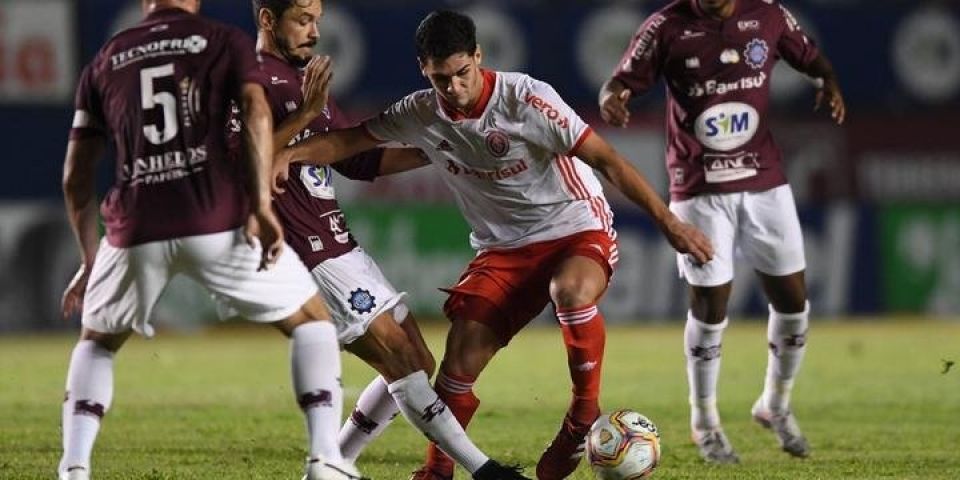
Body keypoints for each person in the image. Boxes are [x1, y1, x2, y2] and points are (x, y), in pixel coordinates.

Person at [272, 10, 714, 480]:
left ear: (479, 58)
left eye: (463, 73)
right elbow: (348, 142)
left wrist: (669, 222)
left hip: (575, 226)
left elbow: (608, 159)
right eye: (441, 78)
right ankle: (437, 472)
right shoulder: (421, 111)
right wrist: (291, 153)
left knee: (570, 291)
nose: (454, 88)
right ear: (425, 69)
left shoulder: (528, 99)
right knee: (456, 364)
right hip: (502, 249)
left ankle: (582, 416)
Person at [58, 1, 357, 479]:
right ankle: (325, 458)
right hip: (213, 216)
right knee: (312, 322)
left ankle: (73, 468)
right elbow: (256, 112)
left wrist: (90, 259)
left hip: (134, 226)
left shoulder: (106, 59)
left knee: (96, 342)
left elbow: (76, 175)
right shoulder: (222, 40)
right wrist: (260, 205)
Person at [238, 2, 528, 479]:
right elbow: (240, 165)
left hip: (336, 241)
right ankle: (484, 470)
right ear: (268, 19)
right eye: (302, 20)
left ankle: (334, 463)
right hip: (303, 247)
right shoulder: (248, 80)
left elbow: (353, 161)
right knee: (402, 359)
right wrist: (307, 113)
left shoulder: (302, 77)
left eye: (317, 19)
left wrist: (437, 148)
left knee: (417, 356)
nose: (314, 32)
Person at [599, 0, 846, 464]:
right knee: (711, 303)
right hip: (699, 187)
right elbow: (618, 80)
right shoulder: (666, 25)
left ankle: (775, 403)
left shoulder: (769, 15)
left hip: (765, 182)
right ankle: (705, 421)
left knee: (794, 303)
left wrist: (828, 82)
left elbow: (811, 57)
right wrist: (612, 97)